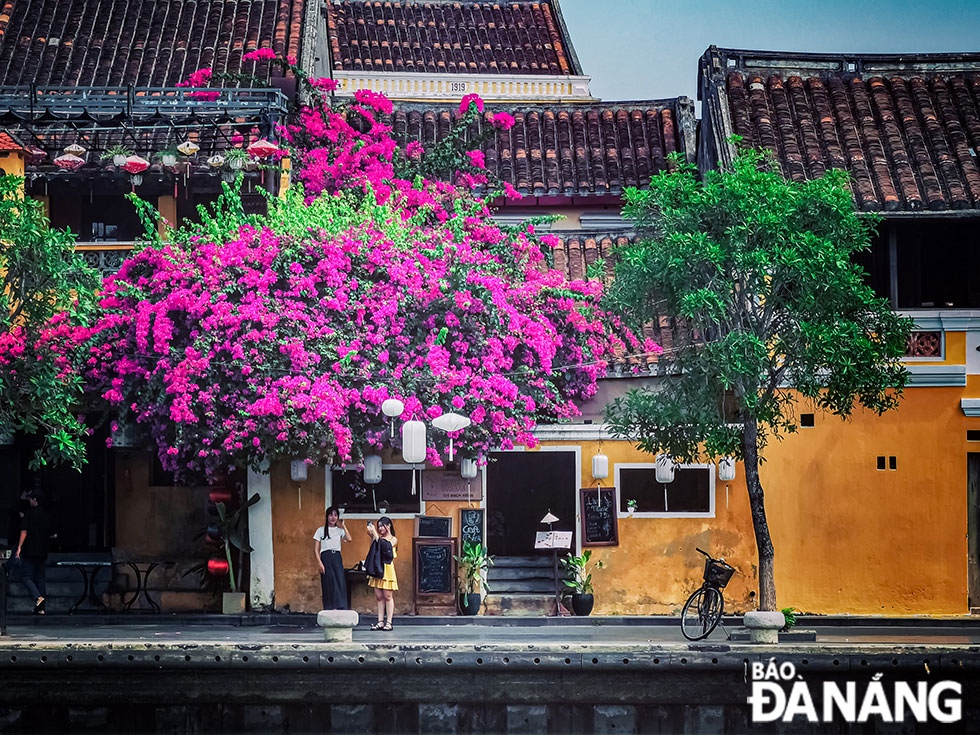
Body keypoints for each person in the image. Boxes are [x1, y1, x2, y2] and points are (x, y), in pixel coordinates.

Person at [15, 490, 51, 614]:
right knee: (40, 578)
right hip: (42, 550)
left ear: (35, 500)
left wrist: (19, 547)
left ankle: (38, 597)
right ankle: (41, 608)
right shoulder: (45, 514)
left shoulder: (29, 514)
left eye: (31, 499)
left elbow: (24, 531)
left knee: (26, 577)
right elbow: (51, 533)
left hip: (31, 549)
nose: (29, 501)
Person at [313, 505, 352, 610]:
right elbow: (316, 550)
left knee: (339, 581)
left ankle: (340, 607)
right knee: (329, 582)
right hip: (326, 557)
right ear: (327, 516)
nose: (333, 517)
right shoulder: (320, 530)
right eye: (331, 515)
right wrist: (320, 563)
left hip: (337, 557)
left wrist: (343, 526)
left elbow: (349, 539)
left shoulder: (339, 530)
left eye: (335, 515)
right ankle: (330, 608)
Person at [366, 516, 397, 631]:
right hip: (377, 568)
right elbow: (374, 549)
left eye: (381, 526)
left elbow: (385, 547)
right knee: (379, 597)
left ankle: (389, 622)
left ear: (388, 526)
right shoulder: (378, 537)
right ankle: (380, 621)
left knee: (388, 596)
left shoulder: (393, 539)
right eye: (378, 527)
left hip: (387, 569)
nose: (379, 529)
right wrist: (372, 537)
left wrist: (375, 535)